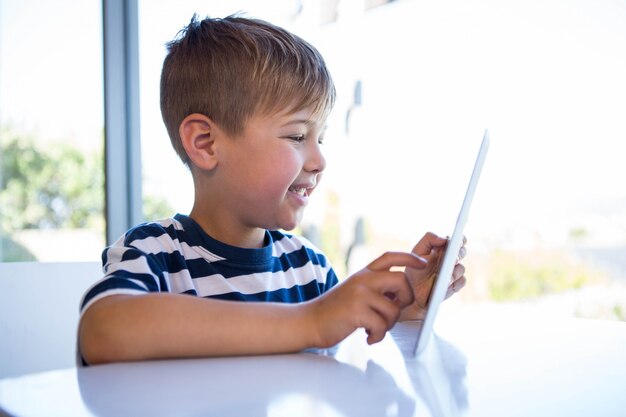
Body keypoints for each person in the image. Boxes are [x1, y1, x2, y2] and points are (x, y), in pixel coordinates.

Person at [78, 14, 467, 365]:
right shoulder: (156, 254)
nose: (319, 160)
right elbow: (103, 331)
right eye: (297, 135)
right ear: (206, 143)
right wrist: (311, 319)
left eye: (320, 138)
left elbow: (350, 359)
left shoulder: (309, 270)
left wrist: (407, 310)